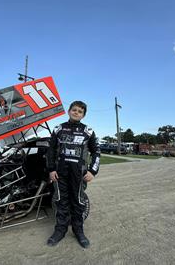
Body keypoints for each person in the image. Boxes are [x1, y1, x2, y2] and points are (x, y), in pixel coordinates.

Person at [46, 100, 100, 248]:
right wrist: (51, 169)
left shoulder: (88, 131)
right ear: (69, 111)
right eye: (74, 110)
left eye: (80, 111)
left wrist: (92, 171)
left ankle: (78, 231)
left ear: (83, 115)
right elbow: (50, 151)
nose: (76, 112)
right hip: (60, 173)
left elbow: (96, 152)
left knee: (78, 202)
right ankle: (60, 230)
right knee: (61, 201)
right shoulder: (58, 129)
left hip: (79, 174)